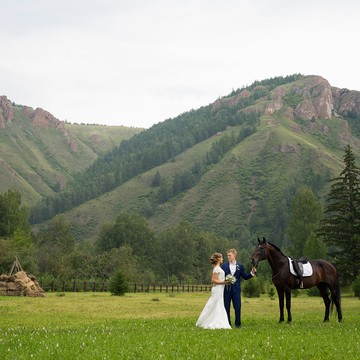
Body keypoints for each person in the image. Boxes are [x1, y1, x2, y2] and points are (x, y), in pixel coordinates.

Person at [221, 248, 256, 328]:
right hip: (226, 290)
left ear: (234, 255)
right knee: (226, 307)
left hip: (236, 290)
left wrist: (252, 273)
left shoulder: (240, 266)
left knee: (237, 307)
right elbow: (220, 276)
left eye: (230, 255)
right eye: (227, 256)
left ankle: (238, 324)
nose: (228, 257)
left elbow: (245, 277)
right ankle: (227, 323)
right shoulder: (224, 266)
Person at [196, 252, 232, 329]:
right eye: (221, 257)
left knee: (218, 303)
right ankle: (214, 321)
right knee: (216, 303)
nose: (222, 259)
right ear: (218, 259)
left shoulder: (218, 268)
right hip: (217, 289)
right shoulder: (216, 269)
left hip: (220, 288)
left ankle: (219, 320)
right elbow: (214, 280)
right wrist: (224, 282)